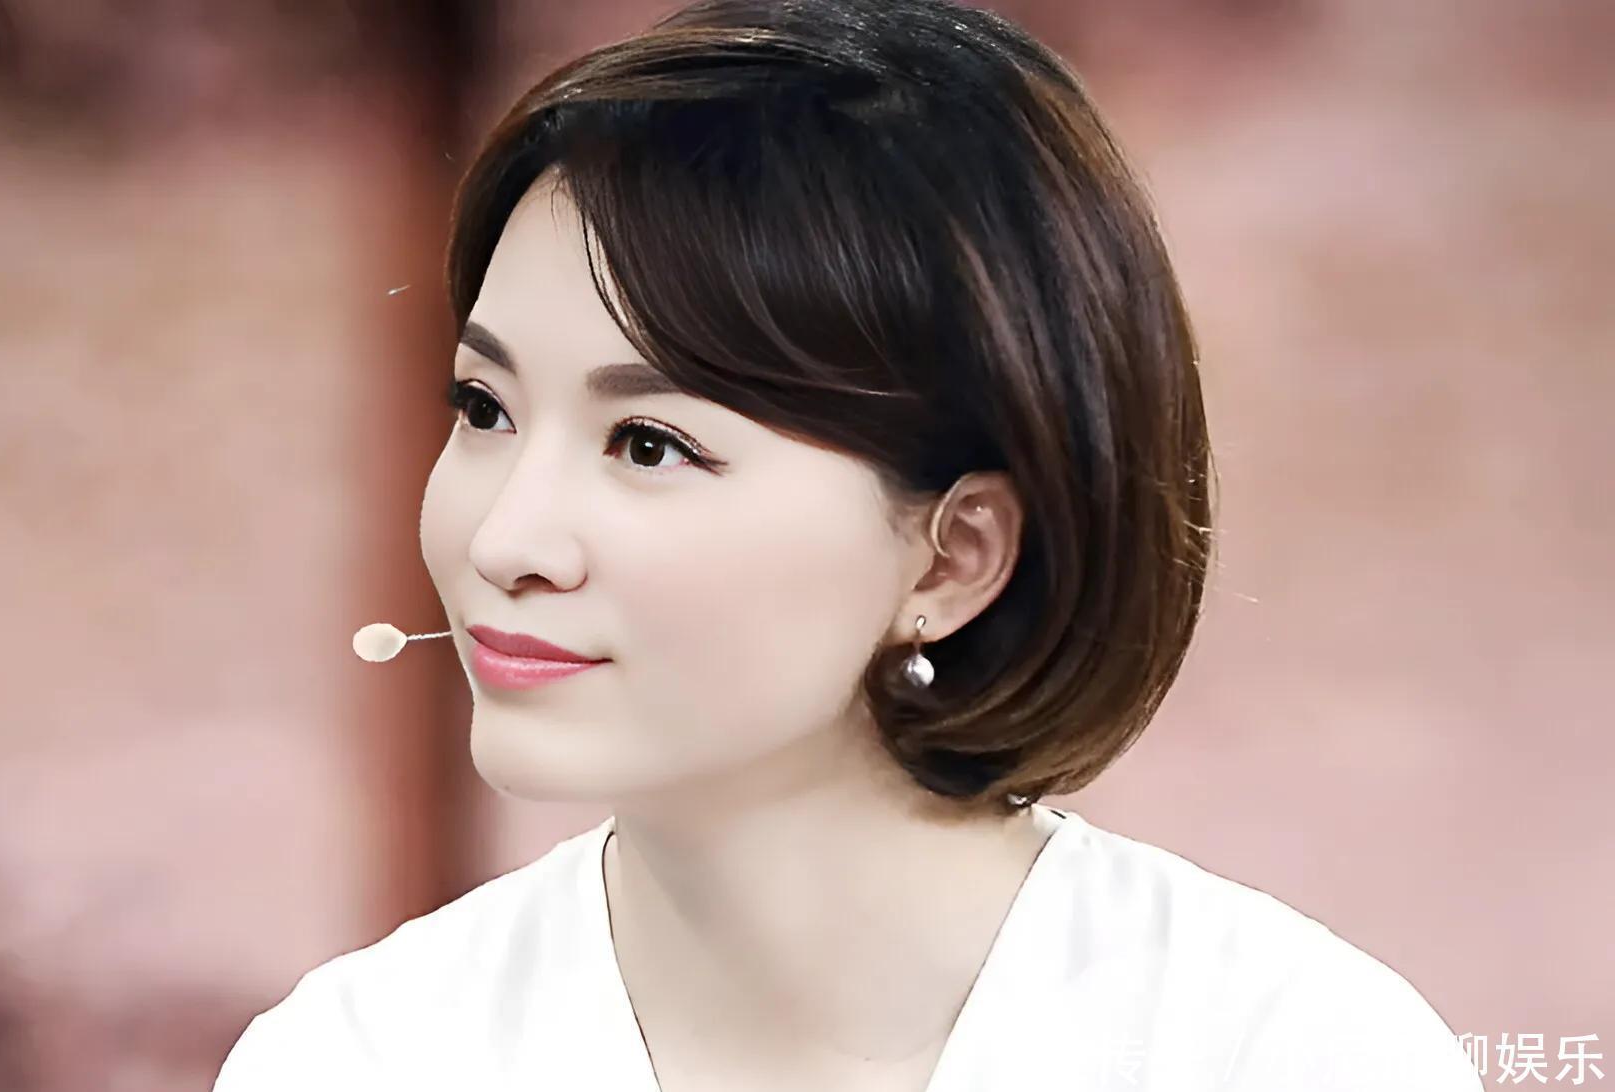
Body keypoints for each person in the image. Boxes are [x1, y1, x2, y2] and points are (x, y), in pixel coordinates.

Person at [213, 1, 1480, 1088]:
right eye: (484, 409)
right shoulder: (360, 1057)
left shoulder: (1282, 1052)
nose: (505, 539)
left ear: (952, 558)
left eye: (647, 444)